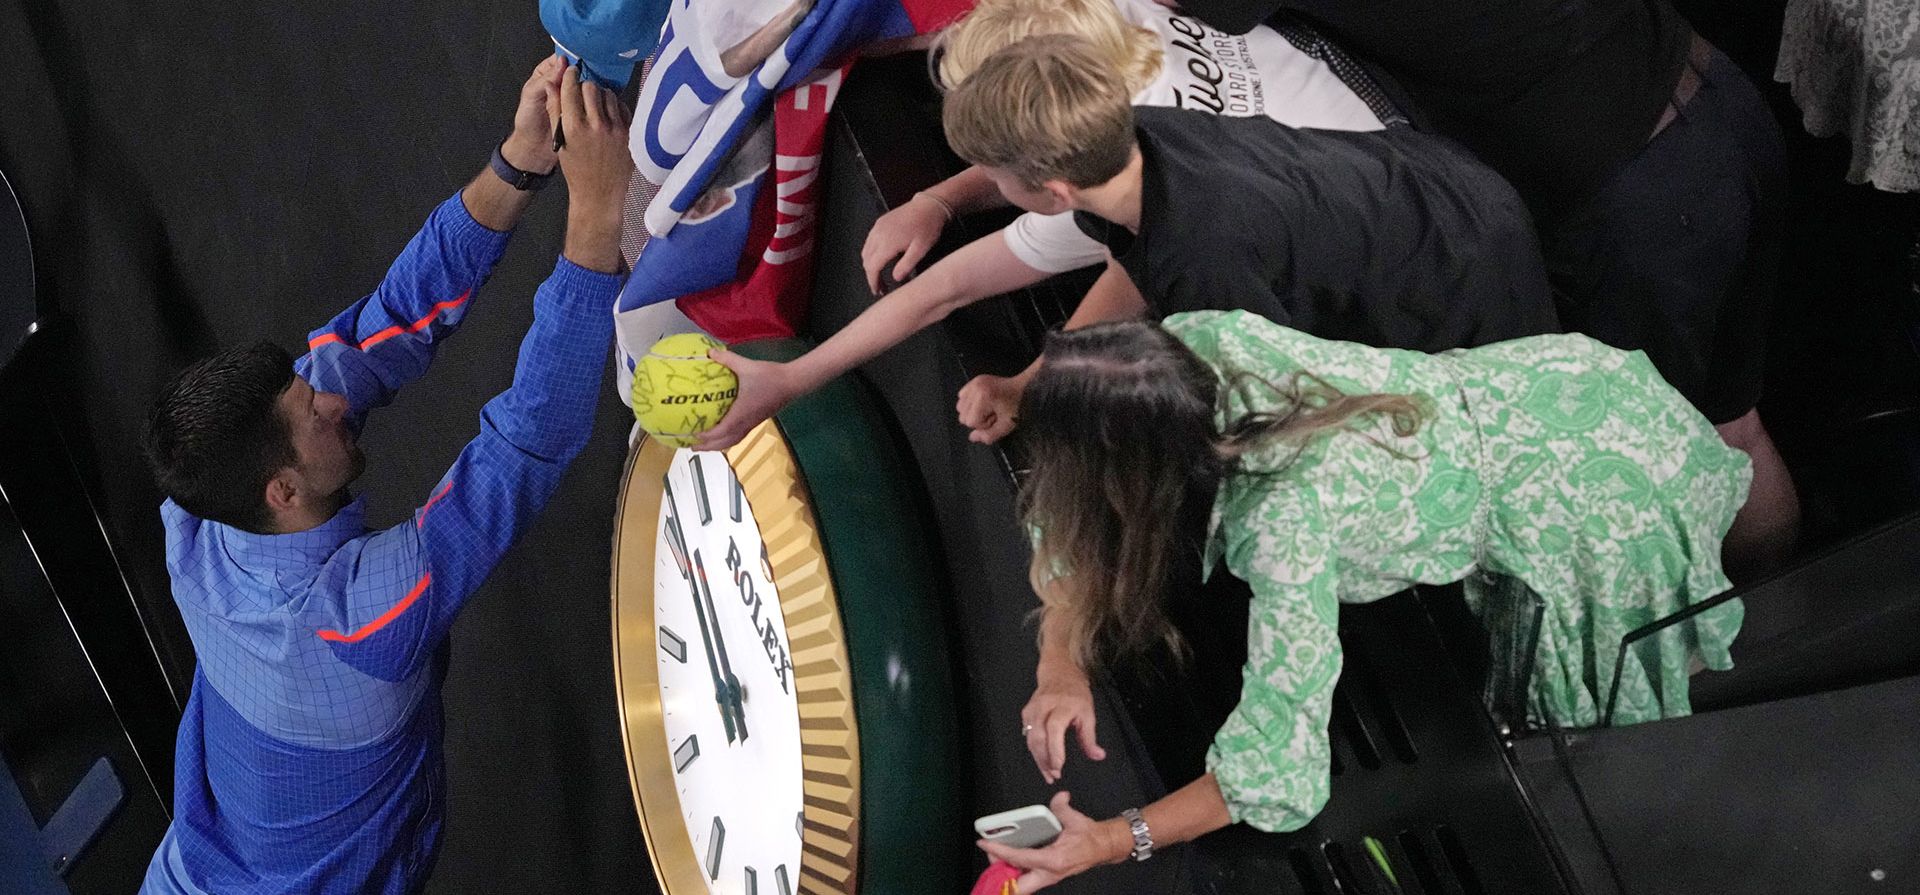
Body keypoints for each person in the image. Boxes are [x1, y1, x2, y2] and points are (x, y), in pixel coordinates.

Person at [982, 312, 1751, 890]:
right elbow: (1077, 511)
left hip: (1593, 495)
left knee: (1597, 744)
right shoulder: (1194, 343)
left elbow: (1277, 768)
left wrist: (1113, 838)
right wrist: (1060, 660)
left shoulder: (1285, 522)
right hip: (1560, 379)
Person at [136, 59, 633, 894]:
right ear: (282, 492)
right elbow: (522, 447)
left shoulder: (197, 520)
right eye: (315, 416)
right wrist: (595, 220)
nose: (333, 401)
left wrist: (519, 162)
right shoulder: (357, 625)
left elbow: (384, 327)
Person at [1164, 0, 1799, 579]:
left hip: (1641, 195)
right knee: (1729, 429)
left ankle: (1739, 650)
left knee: (1643, 489)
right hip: (1703, 98)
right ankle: (1776, 627)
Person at [697, 32, 1558, 449]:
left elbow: (1288, 411)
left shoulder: (1210, 267)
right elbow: (1123, 262)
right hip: (1439, 179)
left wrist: (1043, 387)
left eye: (993, 175)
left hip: (1465, 278)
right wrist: (1031, 380)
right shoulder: (1136, 141)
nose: (982, 185)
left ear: (1053, 192)